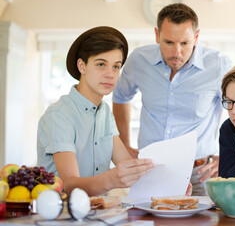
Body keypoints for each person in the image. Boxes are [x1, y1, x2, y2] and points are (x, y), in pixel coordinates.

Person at [112, 3, 233, 195]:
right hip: (149, 171)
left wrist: (229, 155)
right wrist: (125, 146)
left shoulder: (218, 65)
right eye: (168, 42)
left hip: (200, 174)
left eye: (184, 43)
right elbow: (120, 97)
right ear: (157, 35)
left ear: (196, 37)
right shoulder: (139, 60)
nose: (177, 52)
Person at [37, 26, 154, 196]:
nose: (110, 74)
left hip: (98, 214)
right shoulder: (59, 116)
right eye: (101, 64)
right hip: (61, 215)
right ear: (82, 66)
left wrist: (171, 184)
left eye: (116, 67)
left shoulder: (105, 112)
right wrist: (112, 179)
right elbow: (70, 184)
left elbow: (127, 162)